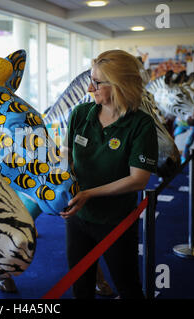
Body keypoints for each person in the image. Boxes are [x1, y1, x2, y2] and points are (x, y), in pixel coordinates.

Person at [60, 49, 158, 299]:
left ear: (118, 84)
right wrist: (60, 186)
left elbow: (139, 179)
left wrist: (89, 193)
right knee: (80, 286)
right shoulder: (80, 114)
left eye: (97, 82)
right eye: (90, 80)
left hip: (116, 221)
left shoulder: (141, 125)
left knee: (127, 287)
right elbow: (65, 156)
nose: (89, 88)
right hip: (78, 216)